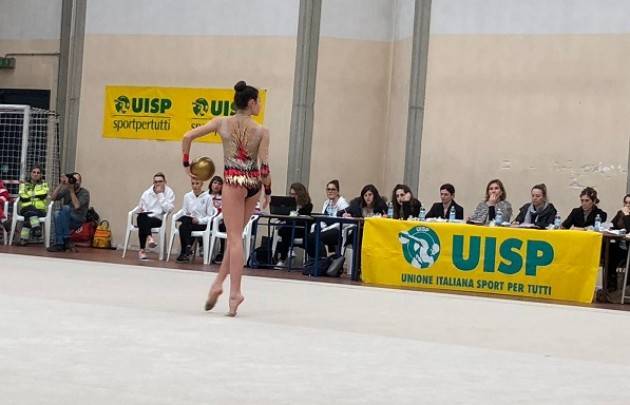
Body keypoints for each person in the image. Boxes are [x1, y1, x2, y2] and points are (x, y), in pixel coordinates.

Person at [182, 80, 271, 317]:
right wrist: (268, 193)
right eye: (258, 101)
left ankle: (235, 293)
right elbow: (264, 168)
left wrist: (186, 165)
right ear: (251, 103)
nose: (260, 105)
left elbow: (187, 136)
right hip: (253, 184)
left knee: (233, 240)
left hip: (233, 183)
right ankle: (218, 284)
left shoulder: (221, 123)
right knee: (235, 240)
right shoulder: (262, 131)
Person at [305, 179, 349, 260]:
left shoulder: (343, 203)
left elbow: (344, 222)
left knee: (315, 237)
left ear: (338, 191)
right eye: (328, 189)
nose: (330, 191)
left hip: (337, 231)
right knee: (309, 237)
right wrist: (322, 227)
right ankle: (317, 259)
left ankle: (322, 259)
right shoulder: (326, 203)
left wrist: (326, 229)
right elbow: (323, 218)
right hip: (326, 229)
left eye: (333, 189)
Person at [135, 172, 175, 260]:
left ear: (165, 182)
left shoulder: (169, 192)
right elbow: (140, 206)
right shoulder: (147, 193)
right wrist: (140, 210)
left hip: (158, 218)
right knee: (141, 217)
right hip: (146, 217)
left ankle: (142, 250)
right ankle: (149, 238)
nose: (158, 184)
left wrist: (160, 195)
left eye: (160, 181)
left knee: (142, 222)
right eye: (156, 182)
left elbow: (168, 209)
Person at [47, 172, 90, 251]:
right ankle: (60, 243)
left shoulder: (84, 193)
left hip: (77, 219)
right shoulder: (67, 189)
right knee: (56, 214)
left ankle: (65, 238)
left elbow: (77, 206)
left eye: (77, 180)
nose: (75, 182)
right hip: (66, 218)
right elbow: (53, 198)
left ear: (80, 182)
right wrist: (61, 184)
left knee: (66, 208)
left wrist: (71, 191)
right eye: (73, 179)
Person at [176, 178, 214, 263]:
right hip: (189, 221)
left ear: (201, 184)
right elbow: (185, 211)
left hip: (201, 224)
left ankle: (184, 252)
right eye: (193, 183)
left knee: (183, 226)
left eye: (197, 183)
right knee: (184, 223)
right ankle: (188, 247)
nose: (195, 186)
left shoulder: (208, 198)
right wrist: (190, 216)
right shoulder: (187, 196)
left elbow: (210, 216)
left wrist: (199, 220)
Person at [275, 182, 313, 266]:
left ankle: (282, 259)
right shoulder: (288, 204)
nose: (292, 196)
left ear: (300, 194)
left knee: (285, 230)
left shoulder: (307, 205)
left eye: (294, 194)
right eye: (291, 194)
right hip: (289, 228)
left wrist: (287, 220)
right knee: (284, 230)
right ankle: (286, 252)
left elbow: (302, 220)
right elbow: (282, 216)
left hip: (301, 229)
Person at [604, 194, 630, 293]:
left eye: (629, 203)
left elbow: (629, 230)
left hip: (628, 248)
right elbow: (612, 225)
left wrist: (627, 216)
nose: (627, 205)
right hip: (620, 246)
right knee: (608, 253)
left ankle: (625, 288)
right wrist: (609, 227)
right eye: (626, 203)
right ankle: (610, 286)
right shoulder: (620, 213)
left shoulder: (625, 214)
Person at [17, 165, 49, 244]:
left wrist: (30, 195)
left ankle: (23, 239)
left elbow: (43, 194)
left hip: (40, 210)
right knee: (29, 211)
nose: (36, 174)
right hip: (25, 208)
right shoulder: (24, 184)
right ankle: (37, 228)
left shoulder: (44, 184)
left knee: (30, 214)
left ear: (41, 175)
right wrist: (35, 196)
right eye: (34, 172)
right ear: (30, 173)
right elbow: (22, 196)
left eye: (38, 173)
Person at [209, 175, 226, 261]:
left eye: (219, 184)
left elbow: (224, 210)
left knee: (223, 227)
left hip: (220, 220)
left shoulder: (224, 197)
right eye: (215, 183)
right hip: (207, 219)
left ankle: (221, 251)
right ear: (211, 184)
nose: (216, 185)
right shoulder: (205, 196)